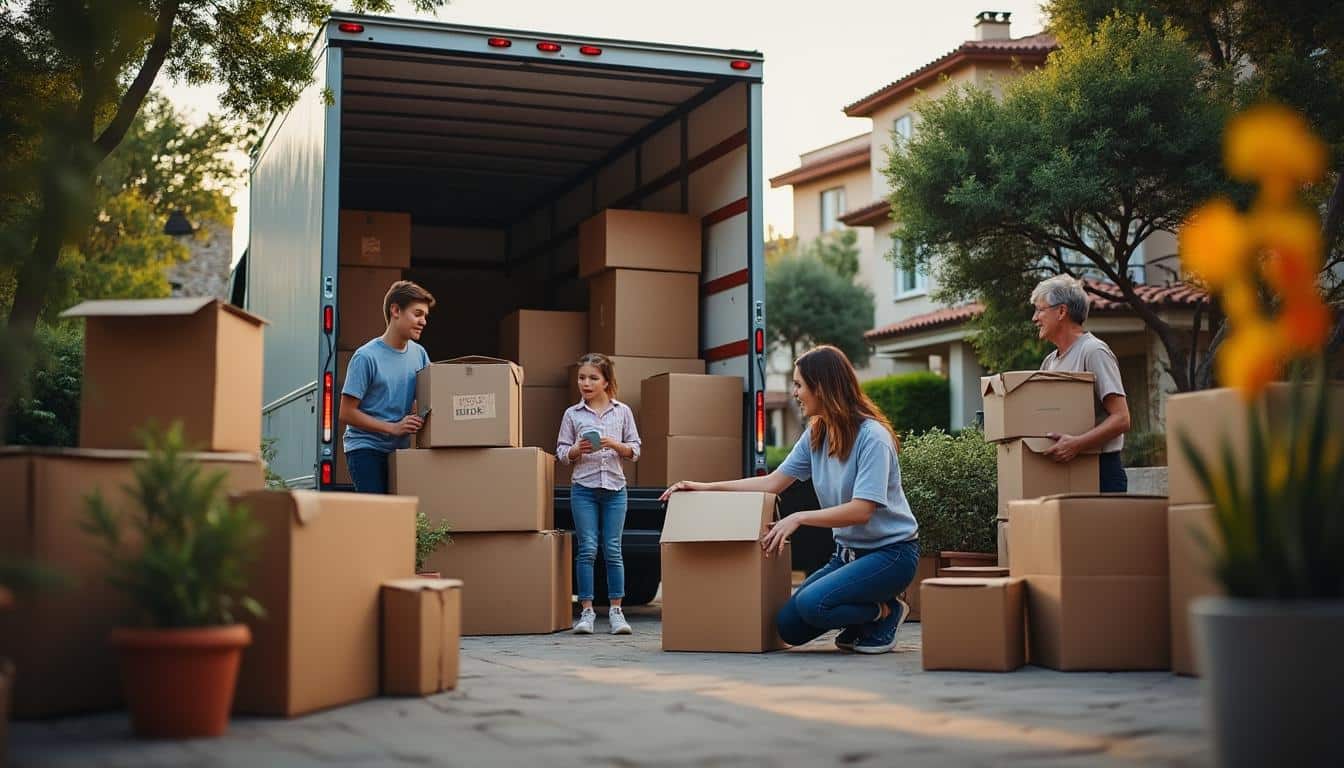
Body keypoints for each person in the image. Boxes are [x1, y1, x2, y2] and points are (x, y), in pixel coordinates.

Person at [660, 345, 920, 654]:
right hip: (847, 555)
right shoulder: (817, 434)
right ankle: (873, 613)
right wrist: (705, 487)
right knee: (789, 627)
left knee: (813, 605)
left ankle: (887, 612)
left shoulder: (872, 437)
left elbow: (862, 511)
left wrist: (798, 517)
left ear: (821, 387)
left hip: (891, 556)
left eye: (799, 384)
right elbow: (772, 483)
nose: (794, 392)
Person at [557, 353, 642, 636]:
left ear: (606, 381)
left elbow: (635, 450)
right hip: (584, 489)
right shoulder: (572, 414)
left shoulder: (622, 411)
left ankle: (617, 612)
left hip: (616, 489)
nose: (586, 383)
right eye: (582, 377)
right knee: (587, 549)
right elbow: (560, 452)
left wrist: (613, 445)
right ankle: (587, 612)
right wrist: (575, 450)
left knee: (613, 550)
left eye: (593, 378)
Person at [1030, 274, 1132, 492]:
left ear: (1061, 311)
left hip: (1101, 471)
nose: (1034, 318)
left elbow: (1122, 418)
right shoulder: (1049, 362)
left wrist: (1077, 444)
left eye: (1040, 309)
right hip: (1065, 469)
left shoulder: (1094, 351)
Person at [338, 280, 434, 494]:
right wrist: (394, 427)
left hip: (399, 450)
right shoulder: (366, 357)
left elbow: (422, 401)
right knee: (376, 516)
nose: (423, 321)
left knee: (400, 516)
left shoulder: (420, 355)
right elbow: (346, 413)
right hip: (366, 449)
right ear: (396, 310)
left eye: (425, 316)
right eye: (417, 314)